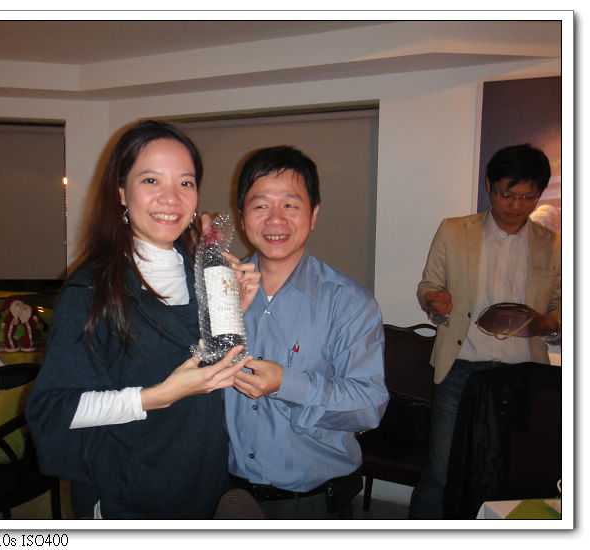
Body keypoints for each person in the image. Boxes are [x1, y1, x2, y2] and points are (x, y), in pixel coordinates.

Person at [25, 120, 250, 520]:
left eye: (185, 182)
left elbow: (198, 359)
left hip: (201, 478)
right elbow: (55, 409)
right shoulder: (92, 288)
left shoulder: (198, 271)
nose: (171, 198)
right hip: (129, 491)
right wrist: (157, 396)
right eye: (151, 180)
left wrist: (234, 309)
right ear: (121, 193)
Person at [223, 145, 388, 519]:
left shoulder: (348, 303)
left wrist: (287, 384)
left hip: (313, 505)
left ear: (313, 215)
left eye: (290, 205)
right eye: (260, 205)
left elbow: (369, 406)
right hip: (228, 496)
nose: (275, 219)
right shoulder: (220, 293)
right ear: (242, 217)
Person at [409, 143, 561, 519]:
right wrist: (434, 300)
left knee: (507, 474)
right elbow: (429, 285)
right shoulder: (454, 230)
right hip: (461, 369)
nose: (516, 205)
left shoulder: (552, 243)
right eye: (507, 194)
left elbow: (563, 305)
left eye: (527, 197)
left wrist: (548, 322)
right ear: (489, 185)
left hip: (522, 375)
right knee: (441, 471)